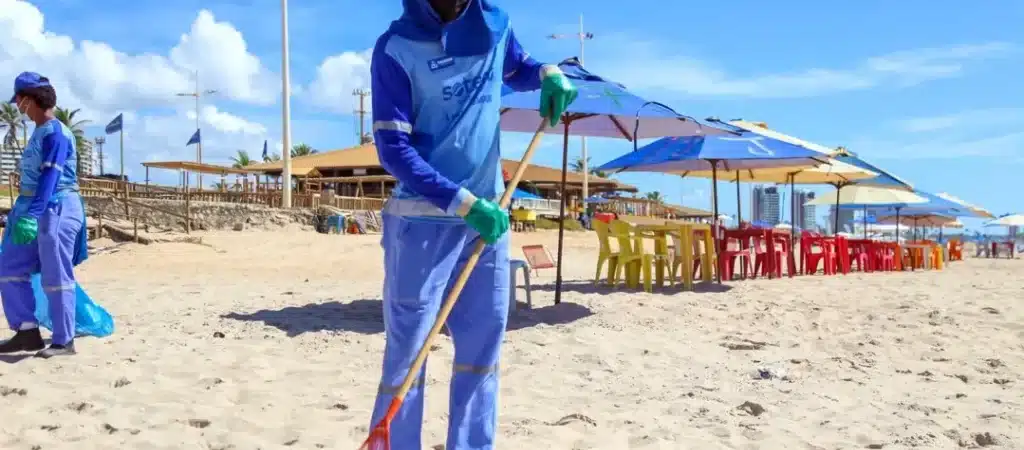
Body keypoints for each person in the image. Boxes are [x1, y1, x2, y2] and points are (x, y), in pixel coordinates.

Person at [369, 0, 577, 448]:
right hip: (420, 222)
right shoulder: (395, 48)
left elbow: (517, 66)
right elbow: (393, 150)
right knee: (408, 356)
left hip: (487, 222)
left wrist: (546, 73)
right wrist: (462, 202)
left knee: (482, 351)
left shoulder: (494, 26)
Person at [0, 72, 86, 358]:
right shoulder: (38, 131)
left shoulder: (57, 132)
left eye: (18, 101)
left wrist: (32, 214)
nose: (17, 107)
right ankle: (27, 332)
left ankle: (64, 341)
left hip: (56, 207)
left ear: (28, 99)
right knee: (10, 268)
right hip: (30, 208)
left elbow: (51, 174)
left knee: (55, 273)